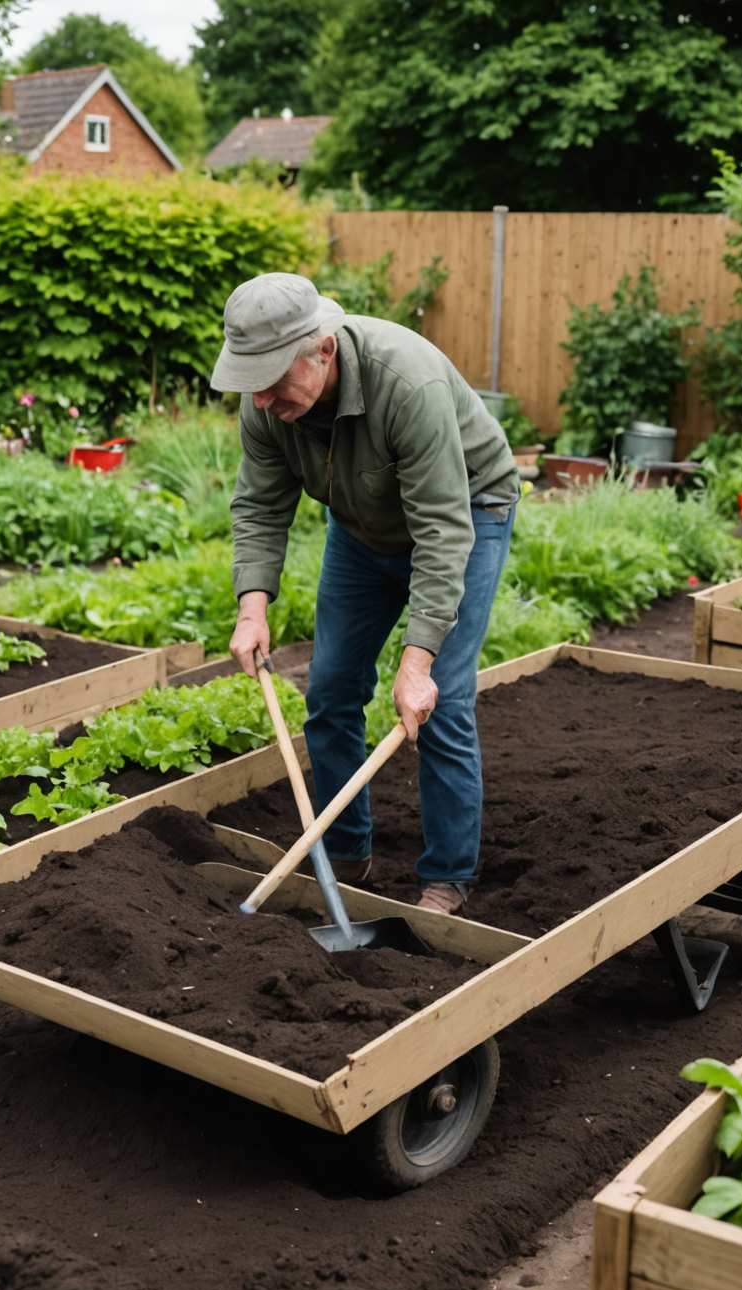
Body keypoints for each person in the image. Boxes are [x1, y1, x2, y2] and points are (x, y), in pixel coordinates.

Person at [214, 271, 520, 915]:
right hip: (360, 527)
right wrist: (252, 607)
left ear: (322, 349)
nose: (261, 398)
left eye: (272, 378)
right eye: (251, 380)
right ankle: (344, 853)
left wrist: (418, 661)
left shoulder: (407, 384)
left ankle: (447, 875)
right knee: (330, 692)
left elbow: (442, 530)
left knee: (438, 702)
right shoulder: (267, 403)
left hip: (467, 514)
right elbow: (260, 506)